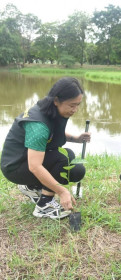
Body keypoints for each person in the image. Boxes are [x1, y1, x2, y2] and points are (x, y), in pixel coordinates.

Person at [1, 77, 90, 219]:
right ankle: (44, 204)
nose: (75, 110)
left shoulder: (48, 109)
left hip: (23, 159)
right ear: (56, 101)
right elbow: (35, 166)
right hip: (15, 167)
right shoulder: (38, 125)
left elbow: (51, 133)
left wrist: (76, 139)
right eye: (72, 105)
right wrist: (61, 191)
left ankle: (32, 187)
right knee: (65, 161)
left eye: (78, 105)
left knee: (70, 156)